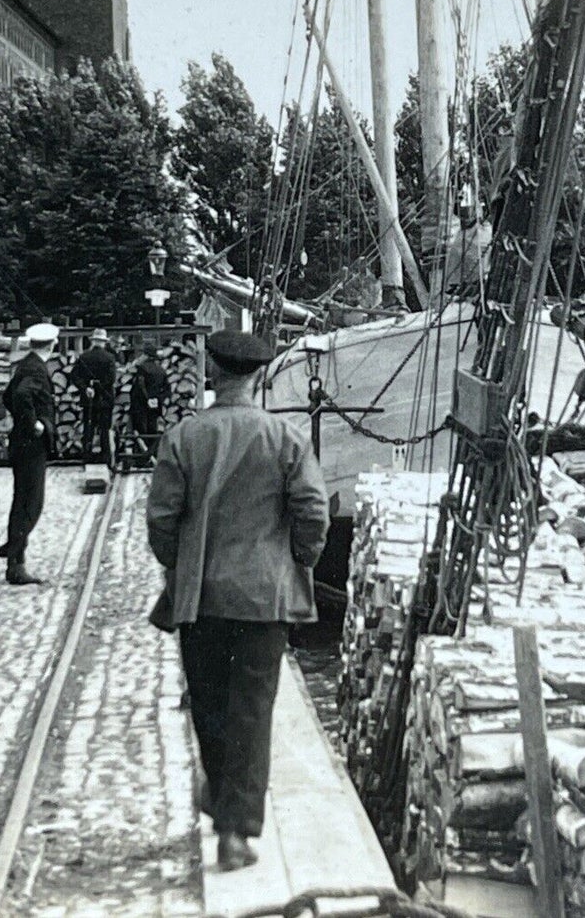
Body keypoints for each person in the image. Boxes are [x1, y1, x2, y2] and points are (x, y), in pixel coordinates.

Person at [146, 330, 329, 872]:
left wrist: (179, 565)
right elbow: (312, 513)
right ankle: (236, 830)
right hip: (263, 600)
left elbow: (161, 521)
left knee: (209, 705)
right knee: (252, 710)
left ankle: (221, 798)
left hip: (201, 599)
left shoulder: (184, 437)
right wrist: (297, 560)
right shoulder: (287, 438)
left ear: (213, 372)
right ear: (257, 376)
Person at [0, 322, 58, 586]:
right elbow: (21, 396)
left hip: (21, 445)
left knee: (21, 500)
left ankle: (13, 546)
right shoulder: (36, 368)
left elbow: (7, 396)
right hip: (31, 446)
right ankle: (16, 564)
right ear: (52, 345)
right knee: (31, 504)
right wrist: (34, 424)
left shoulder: (25, 364)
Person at [72, 328, 119, 470]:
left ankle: (86, 458)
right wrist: (98, 387)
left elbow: (74, 376)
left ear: (93, 342)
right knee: (105, 429)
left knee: (89, 428)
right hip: (105, 399)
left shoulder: (84, 357)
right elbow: (111, 379)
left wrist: (86, 388)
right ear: (103, 342)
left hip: (89, 398)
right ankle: (106, 459)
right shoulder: (109, 358)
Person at [130, 341, 170, 443]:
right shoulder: (161, 370)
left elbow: (140, 385)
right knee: (153, 428)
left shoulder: (142, 368)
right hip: (156, 403)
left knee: (141, 430)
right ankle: (153, 452)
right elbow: (167, 388)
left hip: (141, 404)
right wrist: (159, 399)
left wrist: (147, 399)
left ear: (146, 355)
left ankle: (142, 455)